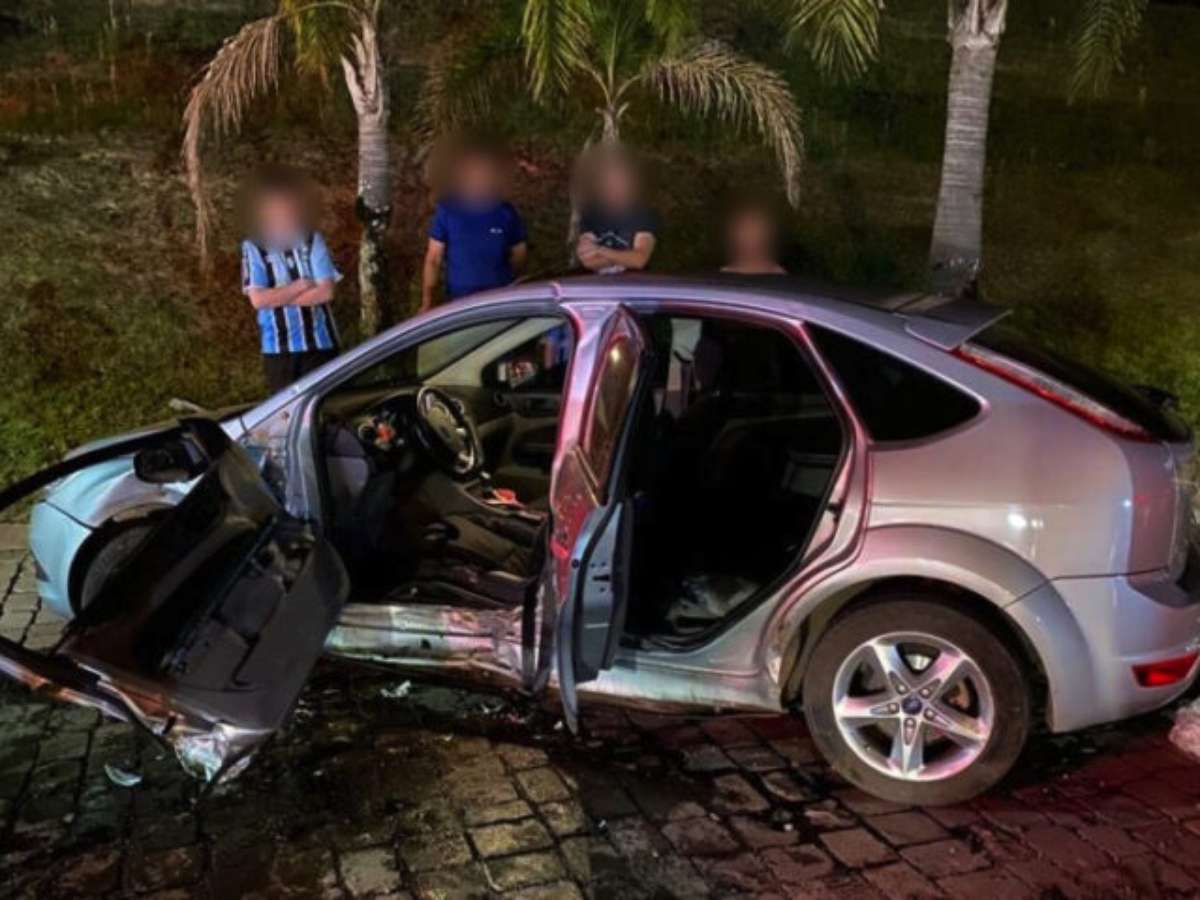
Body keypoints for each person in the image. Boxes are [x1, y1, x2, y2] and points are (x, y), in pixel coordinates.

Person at [241, 167, 342, 394]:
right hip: (278, 349)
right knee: (286, 409)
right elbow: (258, 300)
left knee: (325, 404)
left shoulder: (312, 239)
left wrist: (277, 298)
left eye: (288, 205)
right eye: (277, 206)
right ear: (266, 210)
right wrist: (301, 285)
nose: (284, 212)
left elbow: (326, 292)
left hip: (320, 344)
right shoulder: (254, 246)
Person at [421, 144, 528, 312]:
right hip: (460, 300)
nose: (479, 179)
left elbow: (519, 255)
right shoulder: (448, 211)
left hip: (500, 300)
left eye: (485, 174)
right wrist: (428, 300)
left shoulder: (506, 213)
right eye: (474, 173)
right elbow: (433, 258)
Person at [576, 149, 658, 273]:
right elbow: (588, 260)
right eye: (609, 181)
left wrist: (599, 250)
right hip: (597, 282)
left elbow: (639, 260)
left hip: (634, 282)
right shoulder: (591, 213)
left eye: (619, 180)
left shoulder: (644, 215)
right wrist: (625, 257)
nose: (614, 186)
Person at [720, 200, 787, 275]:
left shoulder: (778, 274)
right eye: (745, 231)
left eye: (755, 231)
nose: (750, 240)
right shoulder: (724, 275)